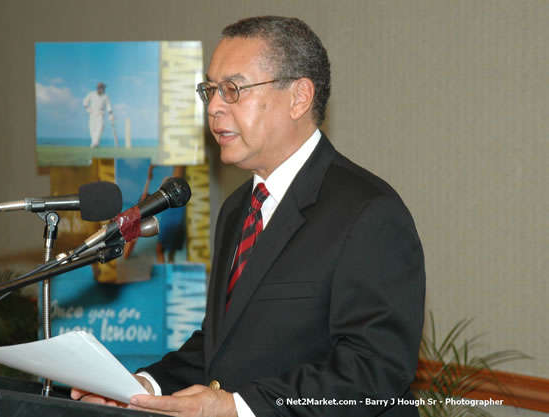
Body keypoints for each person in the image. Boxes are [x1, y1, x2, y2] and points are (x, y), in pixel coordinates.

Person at [72, 16, 425, 417]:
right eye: (210, 90)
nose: (215, 107)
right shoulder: (238, 207)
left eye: (232, 89)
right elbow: (220, 345)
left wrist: (241, 408)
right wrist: (140, 388)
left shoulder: (369, 212)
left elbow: (374, 371)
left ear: (299, 97)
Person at [83, 81, 114, 148]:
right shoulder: (91, 94)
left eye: (103, 88)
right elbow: (85, 102)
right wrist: (88, 109)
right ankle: (94, 143)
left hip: (101, 114)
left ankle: (95, 143)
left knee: (100, 128)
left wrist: (110, 114)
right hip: (92, 113)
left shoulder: (105, 96)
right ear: (98, 88)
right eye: (102, 88)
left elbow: (109, 106)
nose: (103, 89)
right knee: (92, 128)